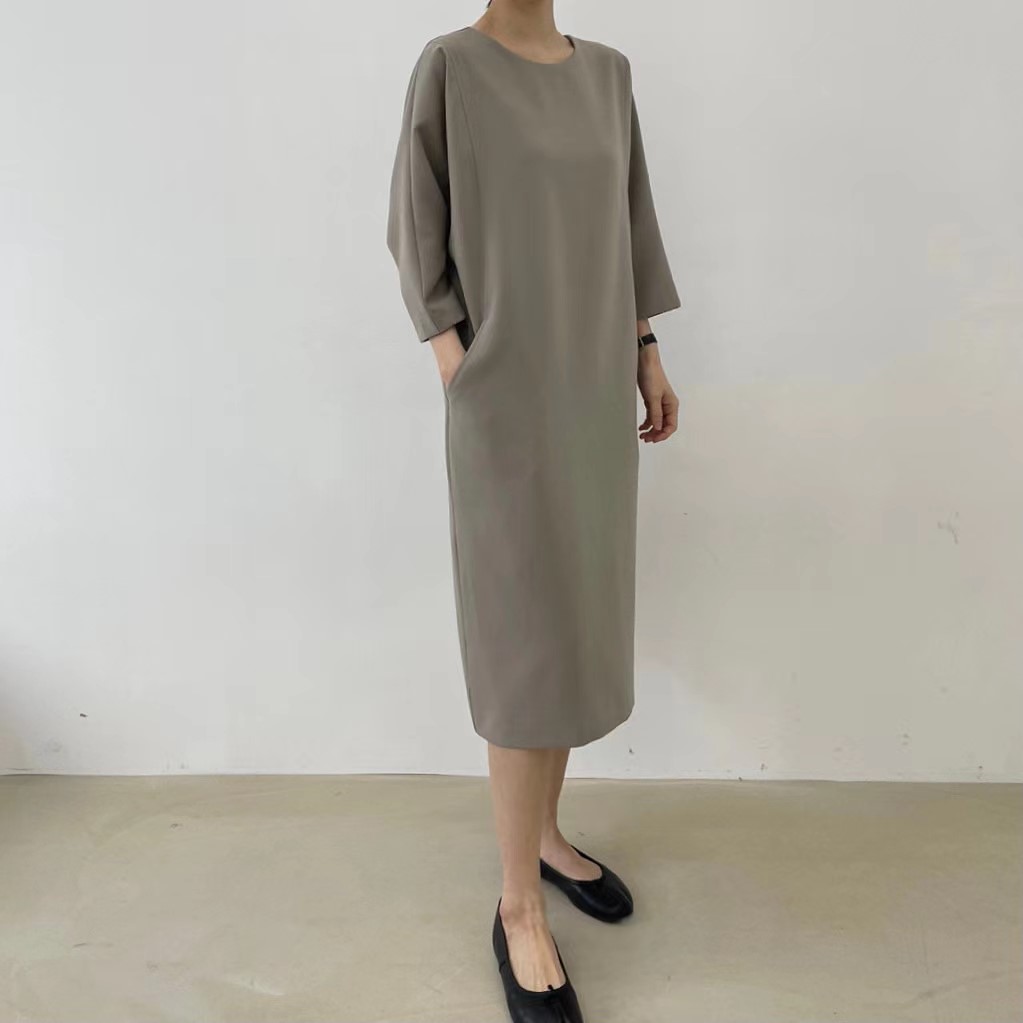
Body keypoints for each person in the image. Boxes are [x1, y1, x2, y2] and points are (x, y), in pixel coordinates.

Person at [386, 1, 681, 1019]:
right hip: (505, 402)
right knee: (521, 646)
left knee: (570, 631)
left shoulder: (608, 74)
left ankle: (547, 840)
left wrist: (645, 351)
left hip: (591, 397)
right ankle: (516, 905)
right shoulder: (451, 67)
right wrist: (458, 367)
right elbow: (412, 229)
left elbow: (627, 226)